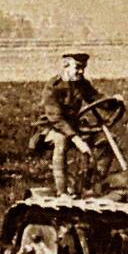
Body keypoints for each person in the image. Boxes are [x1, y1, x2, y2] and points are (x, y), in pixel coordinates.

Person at [32, 51, 109, 196]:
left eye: (83, 68)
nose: (81, 71)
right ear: (66, 65)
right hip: (53, 128)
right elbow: (56, 118)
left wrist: (112, 101)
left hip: (74, 126)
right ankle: (62, 192)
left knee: (104, 140)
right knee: (61, 141)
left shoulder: (81, 84)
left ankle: (93, 184)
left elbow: (96, 98)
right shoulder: (53, 86)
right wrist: (76, 139)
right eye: (78, 67)